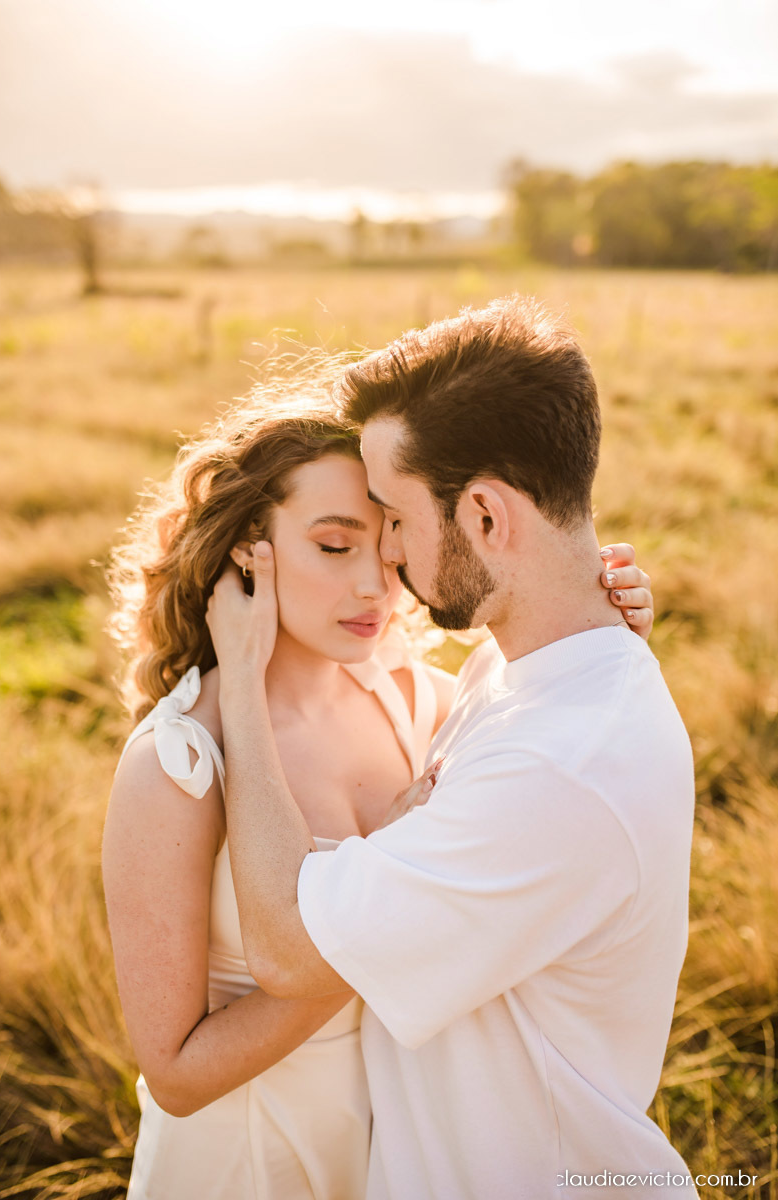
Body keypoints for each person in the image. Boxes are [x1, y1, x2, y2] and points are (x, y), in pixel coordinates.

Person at [102, 358, 652, 1200]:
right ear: (248, 552)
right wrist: (376, 937)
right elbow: (174, 1074)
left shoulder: (418, 702)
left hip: (394, 1158)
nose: (375, 586)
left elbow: (547, 727)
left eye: (388, 537)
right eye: (332, 546)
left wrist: (605, 620)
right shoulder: (177, 766)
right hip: (250, 1168)